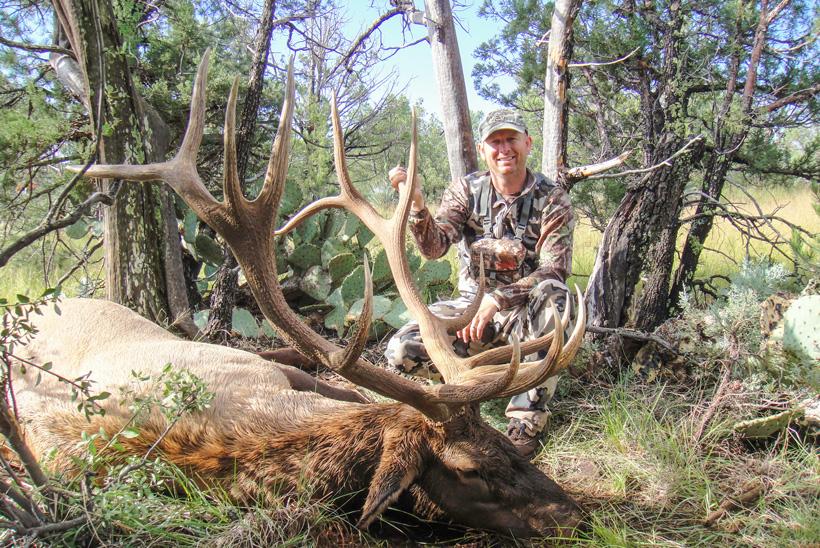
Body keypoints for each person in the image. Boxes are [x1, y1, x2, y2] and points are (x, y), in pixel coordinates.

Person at [384, 109, 576, 458]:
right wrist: (417, 205)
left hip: (524, 314)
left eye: (511, 139)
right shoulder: (466, 190)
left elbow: (555, 269)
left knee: (558, 299)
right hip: (470, 311)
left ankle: (525, 420)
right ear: (483, 149)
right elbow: (434, 247)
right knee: (401, 352)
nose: (504, 149)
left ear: (528, 143)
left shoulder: (553, 199)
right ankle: (471, 385)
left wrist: (499, 299)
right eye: (495, 142)